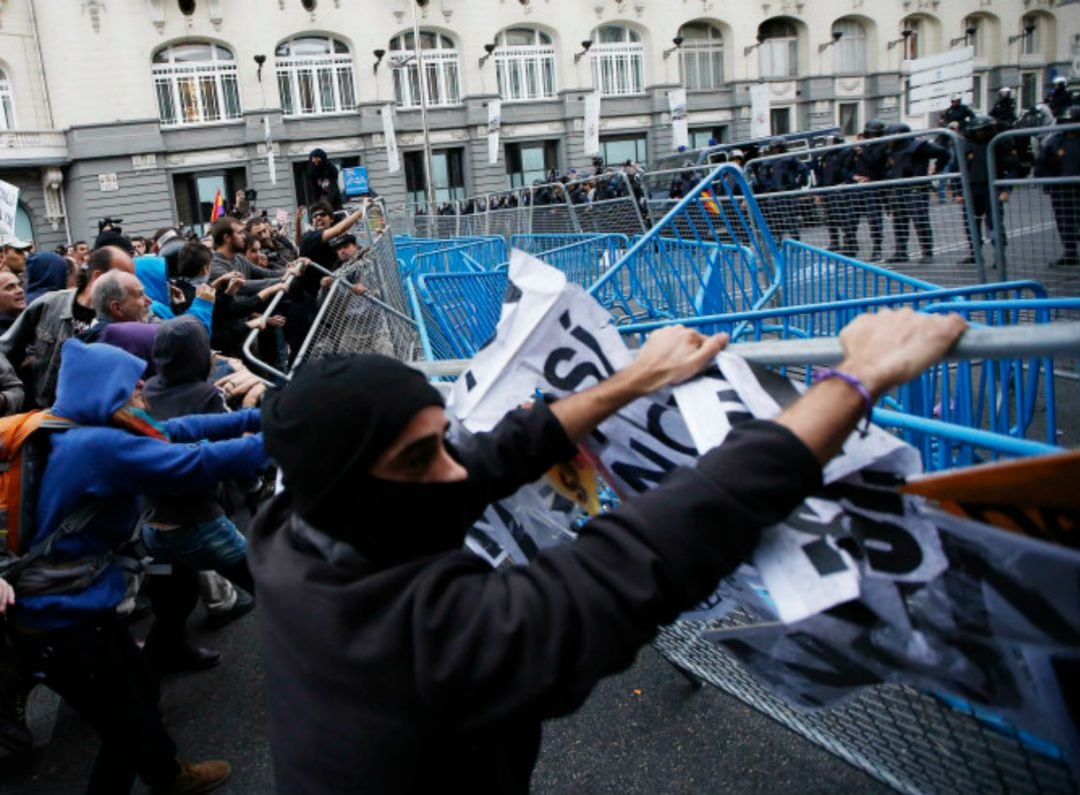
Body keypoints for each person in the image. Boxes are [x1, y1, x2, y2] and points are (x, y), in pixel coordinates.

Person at [249, 308, 967, 794]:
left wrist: (636, 378)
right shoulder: (424, 638)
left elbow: (493, 455)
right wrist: (858, 378)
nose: (455, 471)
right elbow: (641, 554)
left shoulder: (290, 525)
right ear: (354, 490)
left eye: (440, 440)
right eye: (418, 458)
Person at [6, 337, 267, 794]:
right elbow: (194, 462)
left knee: (139, 693)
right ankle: (164, 778)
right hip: (61, 622)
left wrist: (260, 418)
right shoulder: (97, 446)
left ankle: (167, 774)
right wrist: (285, 437)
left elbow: (179, 429)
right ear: (105, 390)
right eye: (130, 381)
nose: (143, 383)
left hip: (75, 610)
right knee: (126, 727)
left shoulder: (66, 425)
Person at [0, 245, 134, 407]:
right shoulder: (50, 304)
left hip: (94, 413)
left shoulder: (125, 314)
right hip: (43, 414)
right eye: (125, 276)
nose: (132, 283)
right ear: (98, 277)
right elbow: (6, 348)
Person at [883, 124, 950, 263]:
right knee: (899, 222)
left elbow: (943, 153)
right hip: (898, 188)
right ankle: (901, 251)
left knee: (920, 220)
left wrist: (937, 169)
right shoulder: (891, 150)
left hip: (916, 187)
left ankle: (927, 252)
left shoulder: (918, 146)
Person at [1035, 106, 1080, 267]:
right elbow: (1042, 163)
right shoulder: (1054, 141)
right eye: (1067, 121)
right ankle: (1070, 252)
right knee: (1064, 221)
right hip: (1061, 188)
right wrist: (1045, 181)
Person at [79, 270, 152, 343]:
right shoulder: (123, 344)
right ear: (117, 308)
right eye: (139, 295)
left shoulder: (85, 341)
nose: (149, 300)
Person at [852, 119, 889, 261]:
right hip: (858, 187)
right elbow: (849, 166)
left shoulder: (882, 147)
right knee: (851, 218)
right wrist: (854, 177)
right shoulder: (862, 147)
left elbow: (876, 164)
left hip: (873, 187)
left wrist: (863, 152)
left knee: (874, 220)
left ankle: (877, 248)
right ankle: (851, 245)